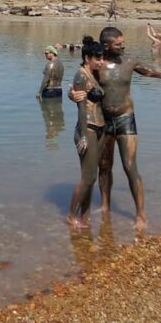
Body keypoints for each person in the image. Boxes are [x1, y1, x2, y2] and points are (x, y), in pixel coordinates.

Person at [97, 25, 161, 231]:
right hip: (103, 121)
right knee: (104, 166)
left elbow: (158, 73)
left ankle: (141, 215)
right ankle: (105, 206)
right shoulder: (95, 64)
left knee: (129, 166)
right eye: (118, 44)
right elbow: (81, 86)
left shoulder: (130, 61)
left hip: (125, 119)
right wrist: (75, 96)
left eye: (123, 42)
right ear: (105, 46)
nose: (123, 46)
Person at [66, 36, 107, 229]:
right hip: (88, 128)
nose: (101, 61)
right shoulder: (81, 75)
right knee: (88, 177)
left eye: (102, 58)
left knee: (92, 175)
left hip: (100, 128)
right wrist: (82, 135)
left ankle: (85, 216)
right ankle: (71, 216)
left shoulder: (95, 73)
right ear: (87, 57)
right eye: (97, 58)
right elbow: (81, 108)